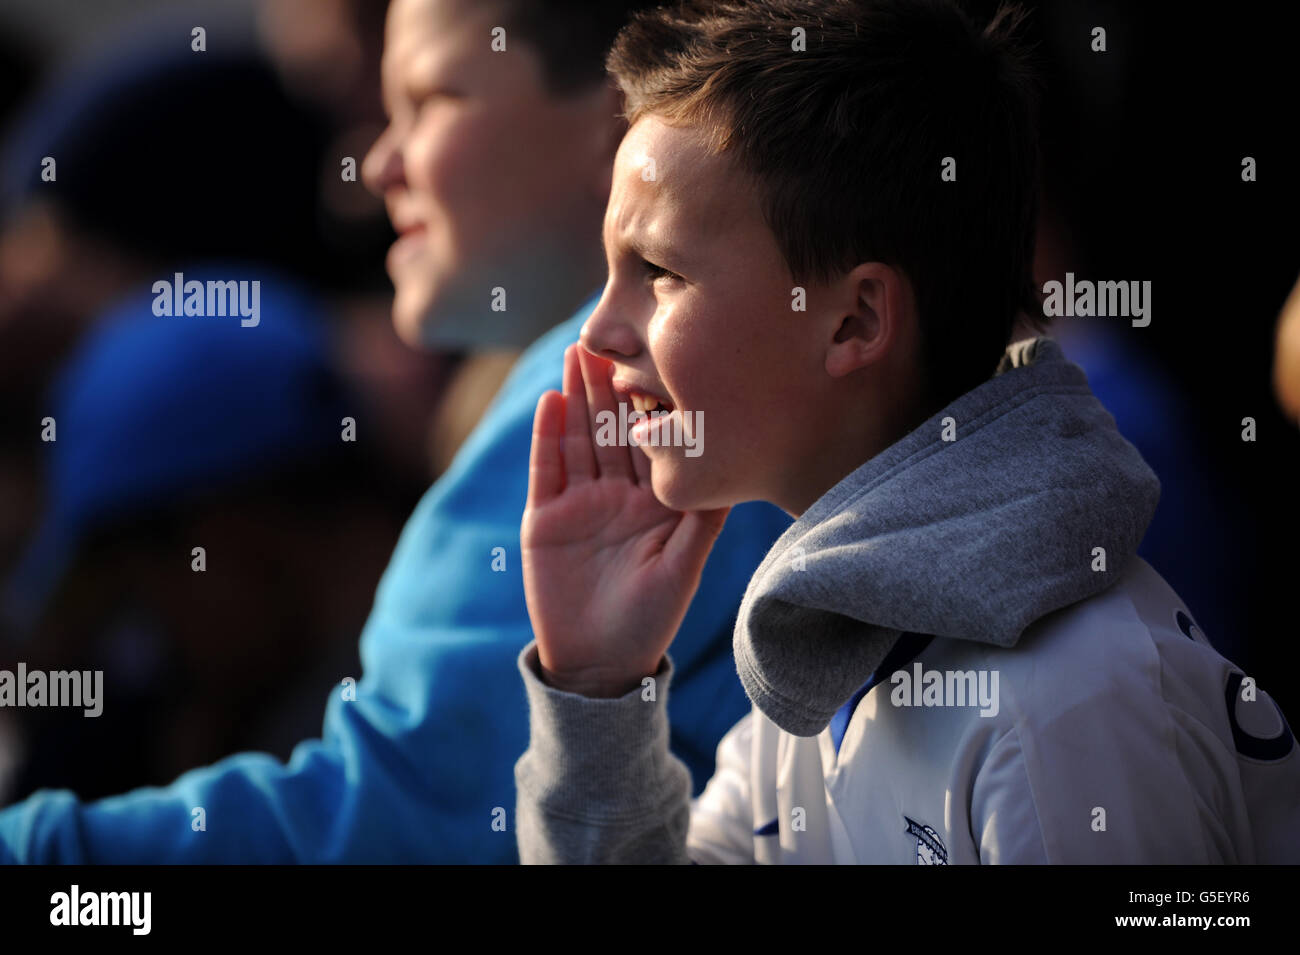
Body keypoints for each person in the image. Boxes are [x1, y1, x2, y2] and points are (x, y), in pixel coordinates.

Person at [0, 0, 789, 862]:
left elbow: (392, 817)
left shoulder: (603, 399)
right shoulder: (705, 371)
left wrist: (39, 850)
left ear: (620, 114)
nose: (371, 165)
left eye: (433, 99)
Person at [514, 0, 1300, 863]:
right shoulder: (831, 639)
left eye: (657, 272)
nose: (595, 333)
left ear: (853, 321)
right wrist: (596, 687)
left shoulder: (1067, 708)